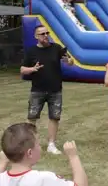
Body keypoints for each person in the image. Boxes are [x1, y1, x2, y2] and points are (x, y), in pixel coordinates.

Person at [21, 26, 73, 154]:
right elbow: (22, 70)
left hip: (55, 90)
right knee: (32, 117)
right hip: (37, 90)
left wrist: (68, 60)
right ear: (36, 36)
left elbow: (71, 61)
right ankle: (31, 145)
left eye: (47, 33)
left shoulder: (56, 48)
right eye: (42, 33)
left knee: (54, 117)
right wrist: (32, 69)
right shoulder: (32, 51)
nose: (45, 35)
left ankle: (51, 144)